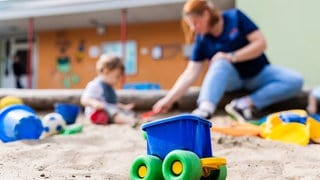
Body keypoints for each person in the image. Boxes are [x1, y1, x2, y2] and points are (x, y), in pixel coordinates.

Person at [153, 0, 303, 122]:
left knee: (295, 80)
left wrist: (231, 56)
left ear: (205, 14)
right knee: (219, 62)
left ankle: (243, 104)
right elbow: (190, 73)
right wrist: (168, 100)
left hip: (258, 73)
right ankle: (205, 109)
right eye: (190, 24)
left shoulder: (236, 17)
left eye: (195, 22)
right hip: (233, 81)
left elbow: (260, 43)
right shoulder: (202, 39)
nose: (193, 28)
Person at [81, 54, 139, 126]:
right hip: (97, 113)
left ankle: (131, 118)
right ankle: (129, 120)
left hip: (109, 110)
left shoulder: (109, 87)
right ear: (106, 71)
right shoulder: (95, 85)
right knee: (113, 112)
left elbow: (113, 103)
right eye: (116, 76)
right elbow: (84, 99)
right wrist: (94, 103)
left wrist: (124, 107)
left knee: (126, 112)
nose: (117, 80)